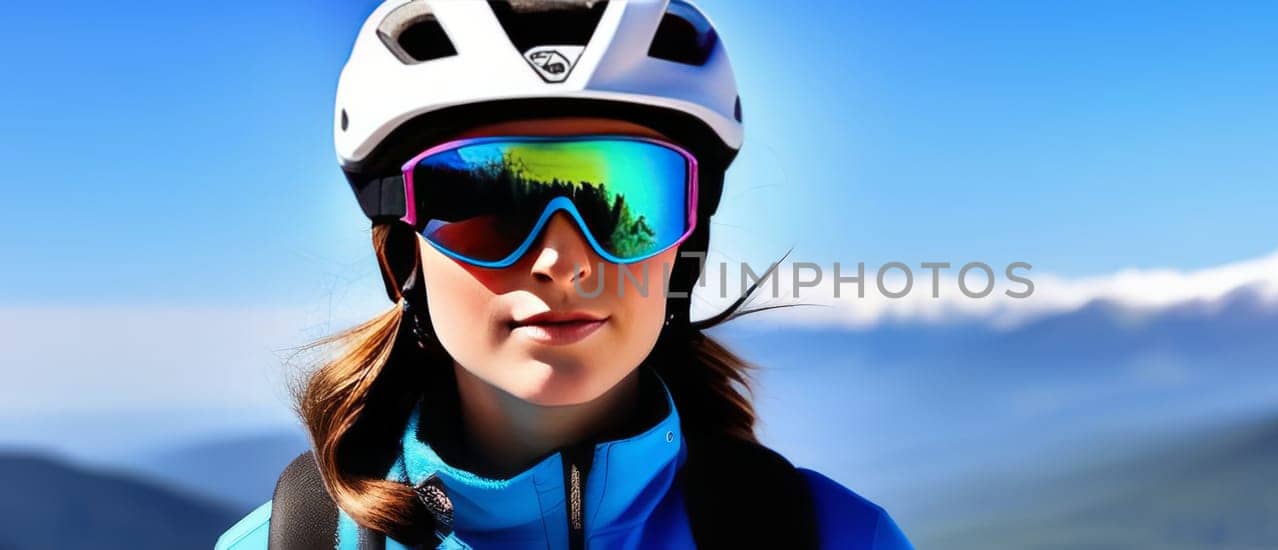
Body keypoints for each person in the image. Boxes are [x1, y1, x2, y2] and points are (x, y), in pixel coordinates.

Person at [213, 1, 913, 548]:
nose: (562, 261)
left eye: (624, 202)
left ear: (685, 247)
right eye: (488, 201)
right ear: (402, 254)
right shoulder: (292, 544)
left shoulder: (837, 539)